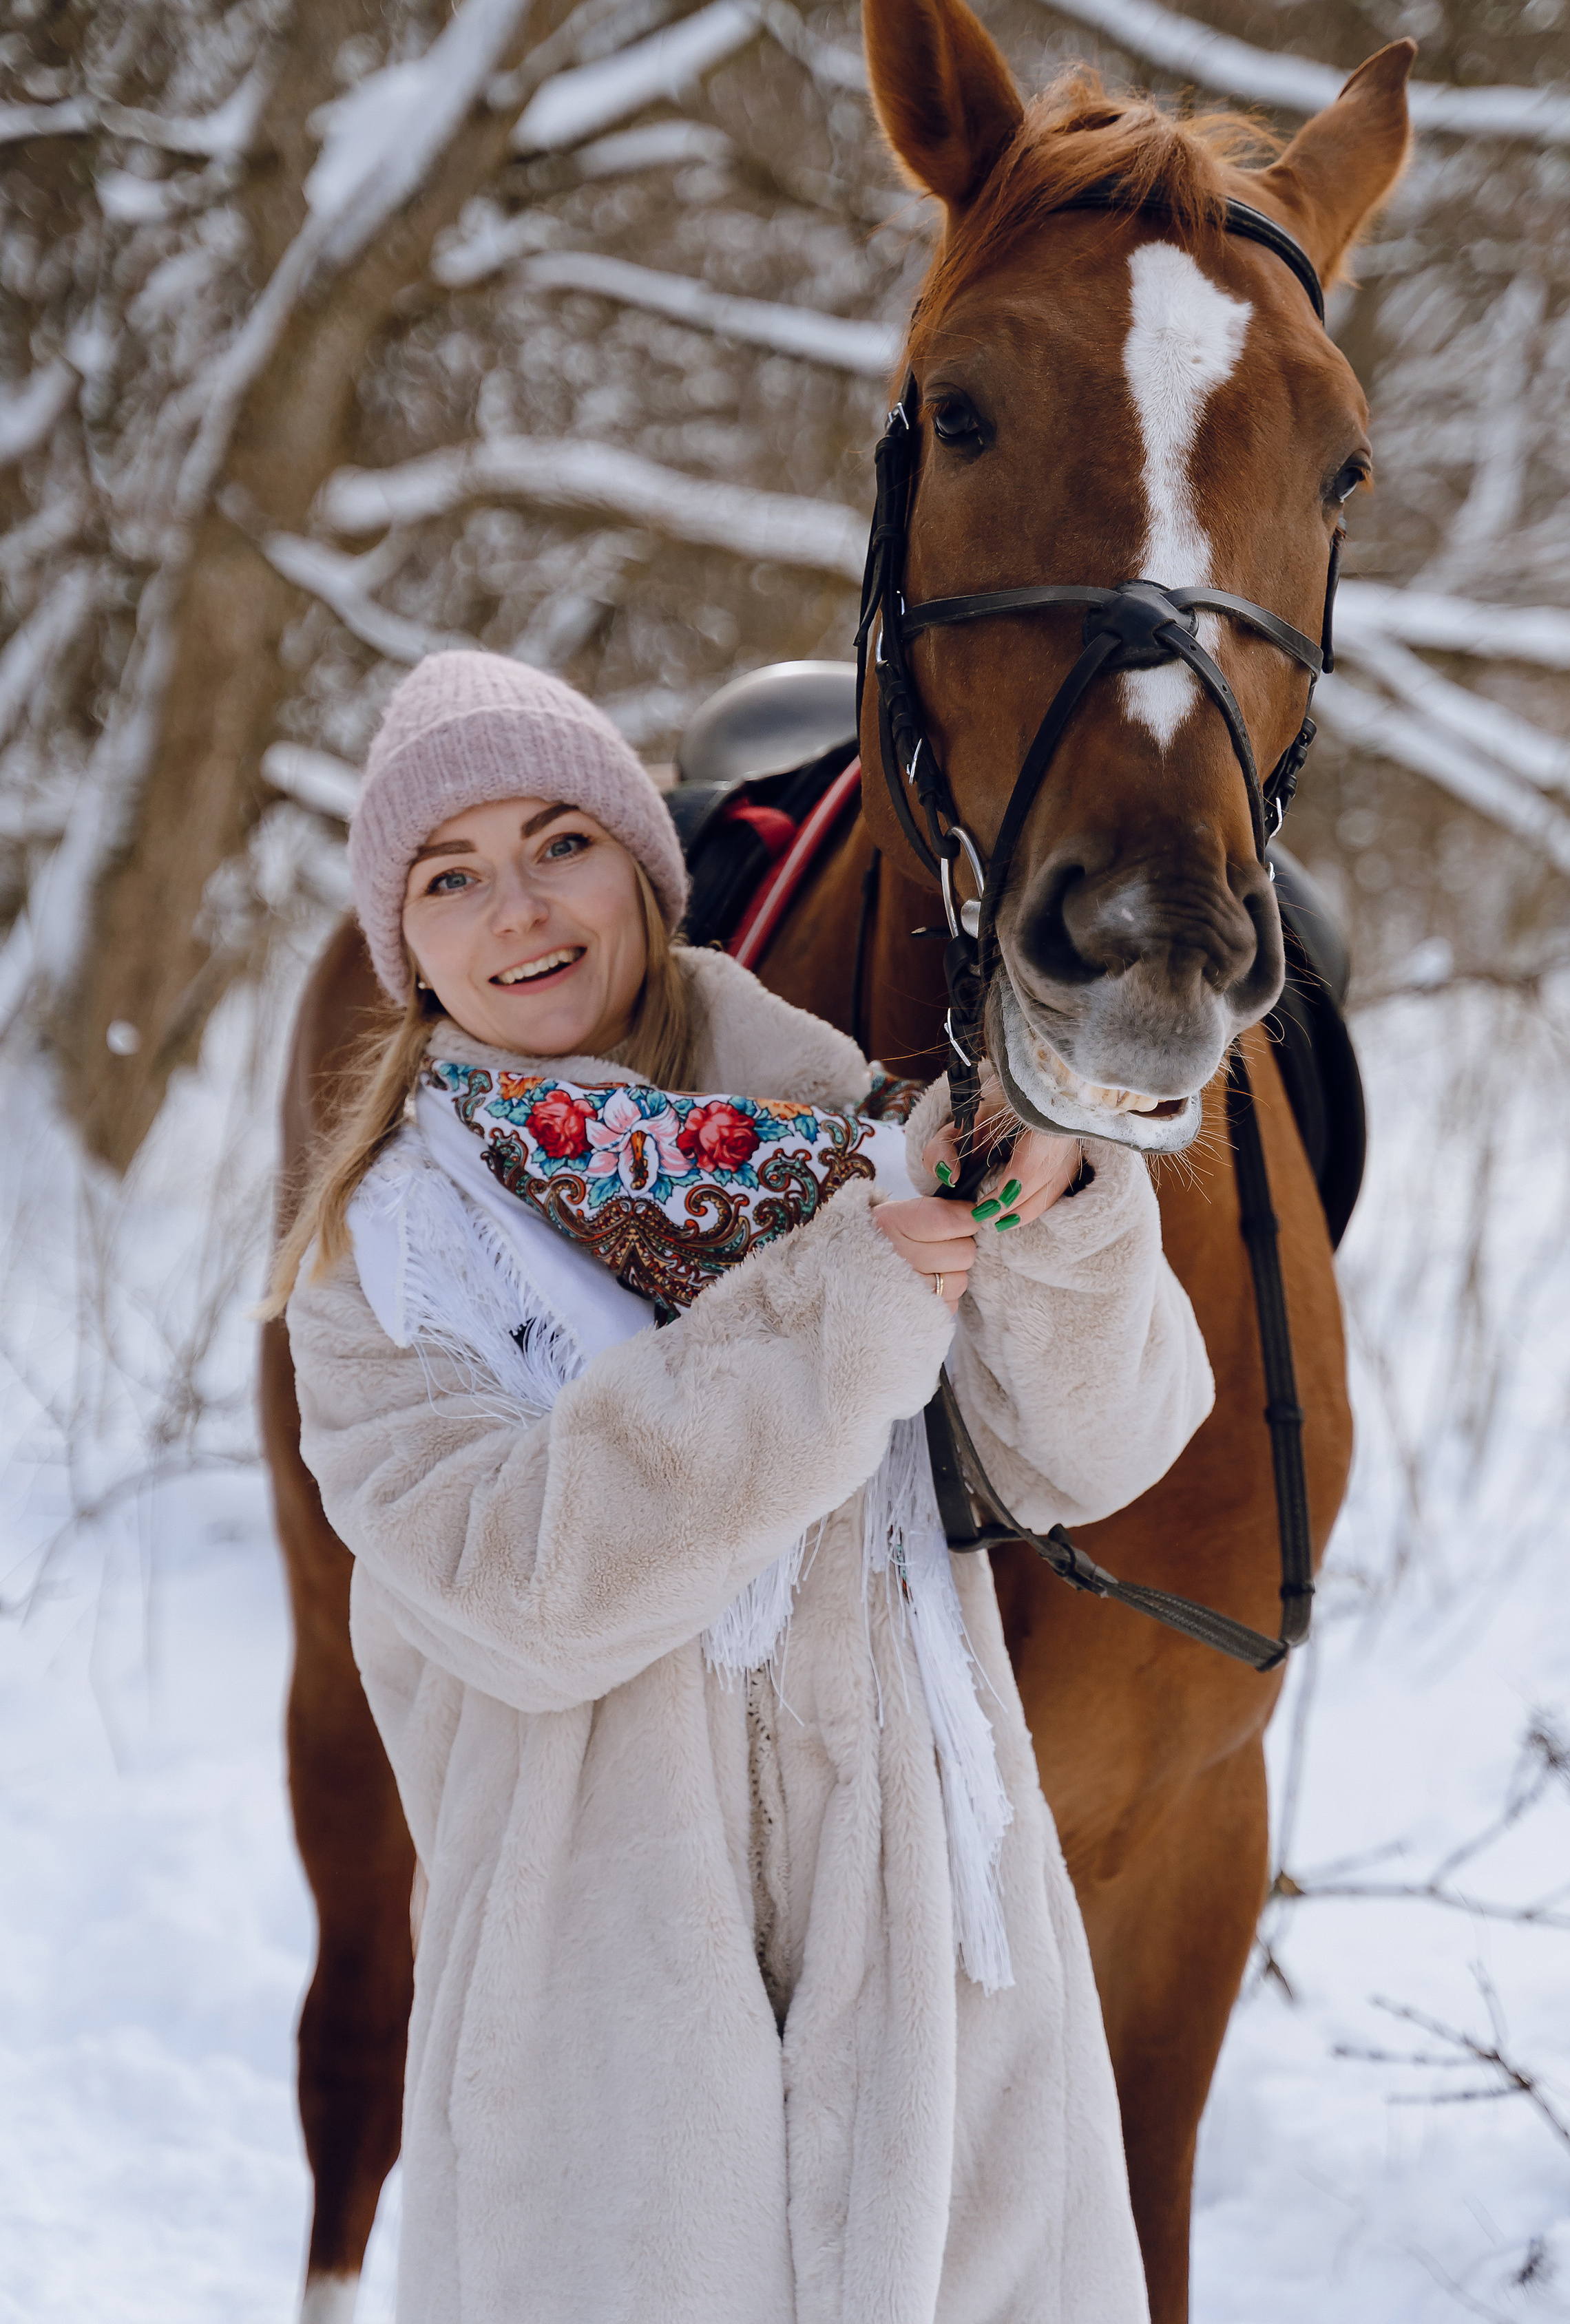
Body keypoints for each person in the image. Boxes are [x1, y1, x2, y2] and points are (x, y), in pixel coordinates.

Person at [271, 648, 1214, 2324]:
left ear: (641, 864)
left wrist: (1058, 1211)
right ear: (402, 946)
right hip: (601, 2060)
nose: (518, 911)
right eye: (450, 877)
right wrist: (838, 1304)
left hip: (935, 1997)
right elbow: (527, 1591)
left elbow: (1095, 1447)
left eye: (560, 842)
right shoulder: (386, 1265)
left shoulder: (859, 1133)